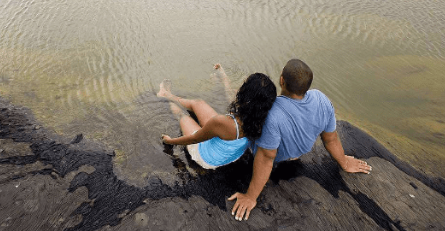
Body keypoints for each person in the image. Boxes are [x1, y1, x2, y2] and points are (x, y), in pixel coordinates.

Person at [228, 59, 373, 222]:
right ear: (308, 85)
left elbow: (266, 158)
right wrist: (343, 161)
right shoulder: (321, 99)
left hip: (275, 157)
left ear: (281, 81)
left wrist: (251, 196)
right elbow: (330, 138)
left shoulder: (272, 112)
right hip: (298, 153)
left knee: (240, 106)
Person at [159, 64, 277, 170]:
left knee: (183, 116)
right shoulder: (260, 118)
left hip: (207, 157)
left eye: (244, 85)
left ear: (246, 96)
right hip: (228, 153)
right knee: (198, 103)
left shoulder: (224, 123)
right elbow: (230, 95)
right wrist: (223, 76)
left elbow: (195, 138)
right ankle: (167, 94)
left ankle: (166, 98)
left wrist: (169, 141)